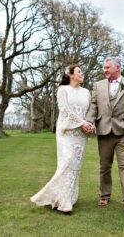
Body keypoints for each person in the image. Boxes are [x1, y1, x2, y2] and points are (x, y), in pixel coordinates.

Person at [83, 57, 124, 213]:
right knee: (104, 167)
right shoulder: (97, 85)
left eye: (108, 67)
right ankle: (104, 195)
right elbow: (93, 106)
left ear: (118, 68)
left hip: (123, 132)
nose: (105, 70)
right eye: (104, 67)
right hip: (104, 131)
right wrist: (89, 122)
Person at [30, 65, 92, 214]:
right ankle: (63, 202)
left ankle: (68, 197)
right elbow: (65, 110)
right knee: (67, 161)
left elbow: (90, 111)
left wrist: (89, 124)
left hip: (81, 134)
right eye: (79, 71)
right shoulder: (62, 90)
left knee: (75, 166)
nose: (82, 73)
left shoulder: (86, 92)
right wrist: (82, 122)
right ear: (71, 75)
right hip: (66, 131)